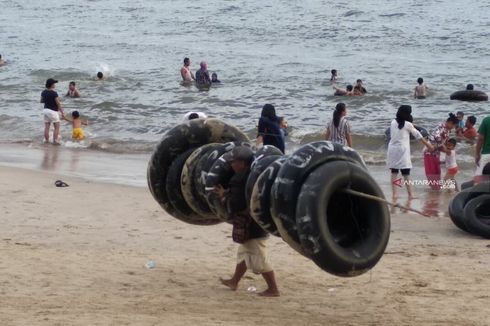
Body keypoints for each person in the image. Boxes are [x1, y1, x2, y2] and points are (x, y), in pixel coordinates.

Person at [215, 146, 280, 297]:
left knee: (258, 258)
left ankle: (273, 289)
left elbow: (238, 204)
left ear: (243, 163)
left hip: (251, 226)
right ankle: (234, 281)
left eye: (234, 162)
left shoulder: (239, 180)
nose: (231, 164)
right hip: (258, 220)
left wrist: (224, 196)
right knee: (244, 254)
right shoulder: (252, 175)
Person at [387, 105, 434, 200]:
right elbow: (418, 135)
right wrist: (428, 145)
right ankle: (410, 194)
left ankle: (395, 194)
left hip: (392, 149)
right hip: (402, 151)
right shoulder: (408, 124)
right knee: (406, 173)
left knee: (394, 172)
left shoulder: (393, 122)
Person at [423, 113, 459, 190]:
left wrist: (447, 150)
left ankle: (436, 189)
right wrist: (445, 149)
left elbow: (444, 143)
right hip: (430, 152)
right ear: (449, 122)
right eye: (453, 125)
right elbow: (437, 138)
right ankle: (435, 189)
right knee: (432, 172)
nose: (452, 128)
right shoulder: (441, 127)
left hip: (436, 152)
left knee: (437, 172)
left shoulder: (448, 130)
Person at [41, 78, 65, 144]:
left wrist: (47, 99)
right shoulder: (54, 93)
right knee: (57, 127)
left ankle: (46, 140)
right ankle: (55, 141)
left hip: (45, 110)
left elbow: (41, 101)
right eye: (54, 83)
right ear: (51, 85)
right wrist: (62, 113)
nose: (55, 84)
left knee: (47, 127)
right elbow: (58, 104)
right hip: (53, 111)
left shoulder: (43, 92)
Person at [475, 115, 490, 182]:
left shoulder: (486, 120)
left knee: (478, 180)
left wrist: (477, 154)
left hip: (487, 154)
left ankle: (452, 191)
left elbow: (480, 139)